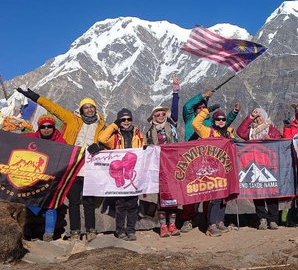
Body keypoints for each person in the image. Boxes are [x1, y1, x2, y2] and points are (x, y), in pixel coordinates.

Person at [16, 88, 106, 241]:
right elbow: (53, 107)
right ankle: (75, 231)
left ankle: (91, 230)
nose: (89, 110)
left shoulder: (102, 126)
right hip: (72, 167)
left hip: (90, 168)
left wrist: (101, 147)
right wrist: (35, 97)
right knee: (73, 201)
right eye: (86, 107)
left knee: (89, 201)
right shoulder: (72, 119)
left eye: (92, 107)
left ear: (95, 109)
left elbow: (110, 141)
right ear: (82, 110)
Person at [181, 90, 240, 233]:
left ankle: (217, 221)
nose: (220, 121)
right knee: (196, 190)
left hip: (221, 167)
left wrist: (233, 113)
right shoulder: (200, 124)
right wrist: (206, 106)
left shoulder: (224, 131)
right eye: (199, 108)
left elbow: (225, 123)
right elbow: (194, 119)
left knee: (220, 194)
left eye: (203, 107)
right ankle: (199, 222)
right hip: (198, 162)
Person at [98, 108, 145, 241]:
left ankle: (131, 230)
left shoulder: (139, 135)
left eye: (128, 119)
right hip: (119, 170)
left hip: (133, 172)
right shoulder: (114, 136)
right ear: (119, 120)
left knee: (132, 204)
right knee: (120, 204)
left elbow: (143, 150)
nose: (126, 122)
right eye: (123, 119)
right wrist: (113, 125)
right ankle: (120, 230)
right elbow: (102, 138)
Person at [144, 74, 180, 238]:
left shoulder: (171, 125)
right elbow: (144, 149)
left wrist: (175, 90)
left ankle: (173, 224)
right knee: (161, 197)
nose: (160, 116)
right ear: (153, 117)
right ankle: (163, 226)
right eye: (157, 115)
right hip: (158, 168)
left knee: (174, 196)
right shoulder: (149, 132)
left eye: (162, 114)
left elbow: (176, 107)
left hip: (173, 165)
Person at [192, 107, 236, 237]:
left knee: (225, 196)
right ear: (214, 120)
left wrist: (233, 143)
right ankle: (211, 225)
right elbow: (195, 124)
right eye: (218, 119)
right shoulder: (207, 132)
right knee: (215, 197)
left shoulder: (229, 133)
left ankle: (220, 221)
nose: (221, 121)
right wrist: (205, 111)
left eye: (223, 119)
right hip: (212, 168)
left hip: (227, 168)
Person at [237, 108, 282, 230]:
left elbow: (280, 141)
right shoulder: (251, 131)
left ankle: (273, 219)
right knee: (258, 193)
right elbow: (240, 132)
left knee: (272, 192)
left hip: (270, 165)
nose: (258, 119)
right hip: (255, 165)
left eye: (259, 116)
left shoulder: (271, 129)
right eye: (256, 118)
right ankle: (262, 218)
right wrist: (250, 117)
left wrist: (270, 139)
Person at [24, 114, 67, 242]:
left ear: (54, 128)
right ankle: (25, 229)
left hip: (51, 179)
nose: (46, 129)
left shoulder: (61, 142)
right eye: (43, 126)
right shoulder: (31, 138)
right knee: (26, 203)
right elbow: (14, 142)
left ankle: (48, 233)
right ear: (39, 127)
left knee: (50, 205)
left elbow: (67, 158)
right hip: (32, 178)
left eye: (49, 126)